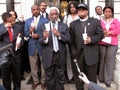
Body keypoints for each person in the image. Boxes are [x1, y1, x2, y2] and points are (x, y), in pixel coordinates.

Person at [69, 3, 104, 90]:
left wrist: (91, 40)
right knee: (79, 77)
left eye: (82, 9)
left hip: (91, 54)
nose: (80, 11)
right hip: (77, 55)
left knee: (92, 78)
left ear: (87, 11)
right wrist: (73, 52)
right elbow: (71, 40)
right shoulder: (73, 24)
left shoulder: (95, 21)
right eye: (79, 10)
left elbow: (100, 35)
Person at [39, 7, 70, 90]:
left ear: (58, 15)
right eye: (52, 14)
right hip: (48, 55)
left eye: (55, 14)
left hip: (60, 54)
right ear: (49, 16)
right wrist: (45, 38)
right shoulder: (44, 26)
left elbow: (68, 39)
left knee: (60, 75)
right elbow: (40, 41)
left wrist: (59, 34)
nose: (54, 16)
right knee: (49, 76)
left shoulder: (64, 26)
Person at [24, 4, 48, 89]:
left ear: (40, 10)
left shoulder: (45, 20)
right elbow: (25, 33)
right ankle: (35, 81)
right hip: (32, 46)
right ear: (31, 11)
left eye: (37, 9)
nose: (36, 11)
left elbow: (47, 32)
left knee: (43, 65)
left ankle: (43, 81)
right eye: (34, 10)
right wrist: (30, 32)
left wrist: (39, 35)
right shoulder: (27, 21)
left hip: (42, 45)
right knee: (33, 66)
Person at [0, 12, 23, 90]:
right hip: (4, 58)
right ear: (5, 21)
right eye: (10, 21)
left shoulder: (18, 27)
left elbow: (22, 38)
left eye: (13, 20)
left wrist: (20, 43)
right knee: (6, 78)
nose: (12, 23)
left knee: (17, 77)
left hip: (16, 56)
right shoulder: (1, 27)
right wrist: (5, 27)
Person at [98, 6, 120, 87]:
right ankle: (101, 78)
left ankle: (108, 80)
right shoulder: (100, 21)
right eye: (106, 11)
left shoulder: (115, 20)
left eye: (109, 11)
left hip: (112, 43)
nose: (107, 13)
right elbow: (97, 29)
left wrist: (110, 32)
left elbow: (119, 29)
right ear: (103, 12)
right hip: (102, 42)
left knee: (109, 60)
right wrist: (103, 32)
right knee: (102, 60)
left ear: (112, 12)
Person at [63, 1, 79, 82]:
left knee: (78, 57)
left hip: (78, 40)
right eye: (71, 7)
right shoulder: (66, 17)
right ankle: (70, 76)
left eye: (74, 7)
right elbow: (63, 28)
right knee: (69, 58)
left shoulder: (79, 16)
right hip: (68, 40)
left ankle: (78, 75)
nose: (72, 8)